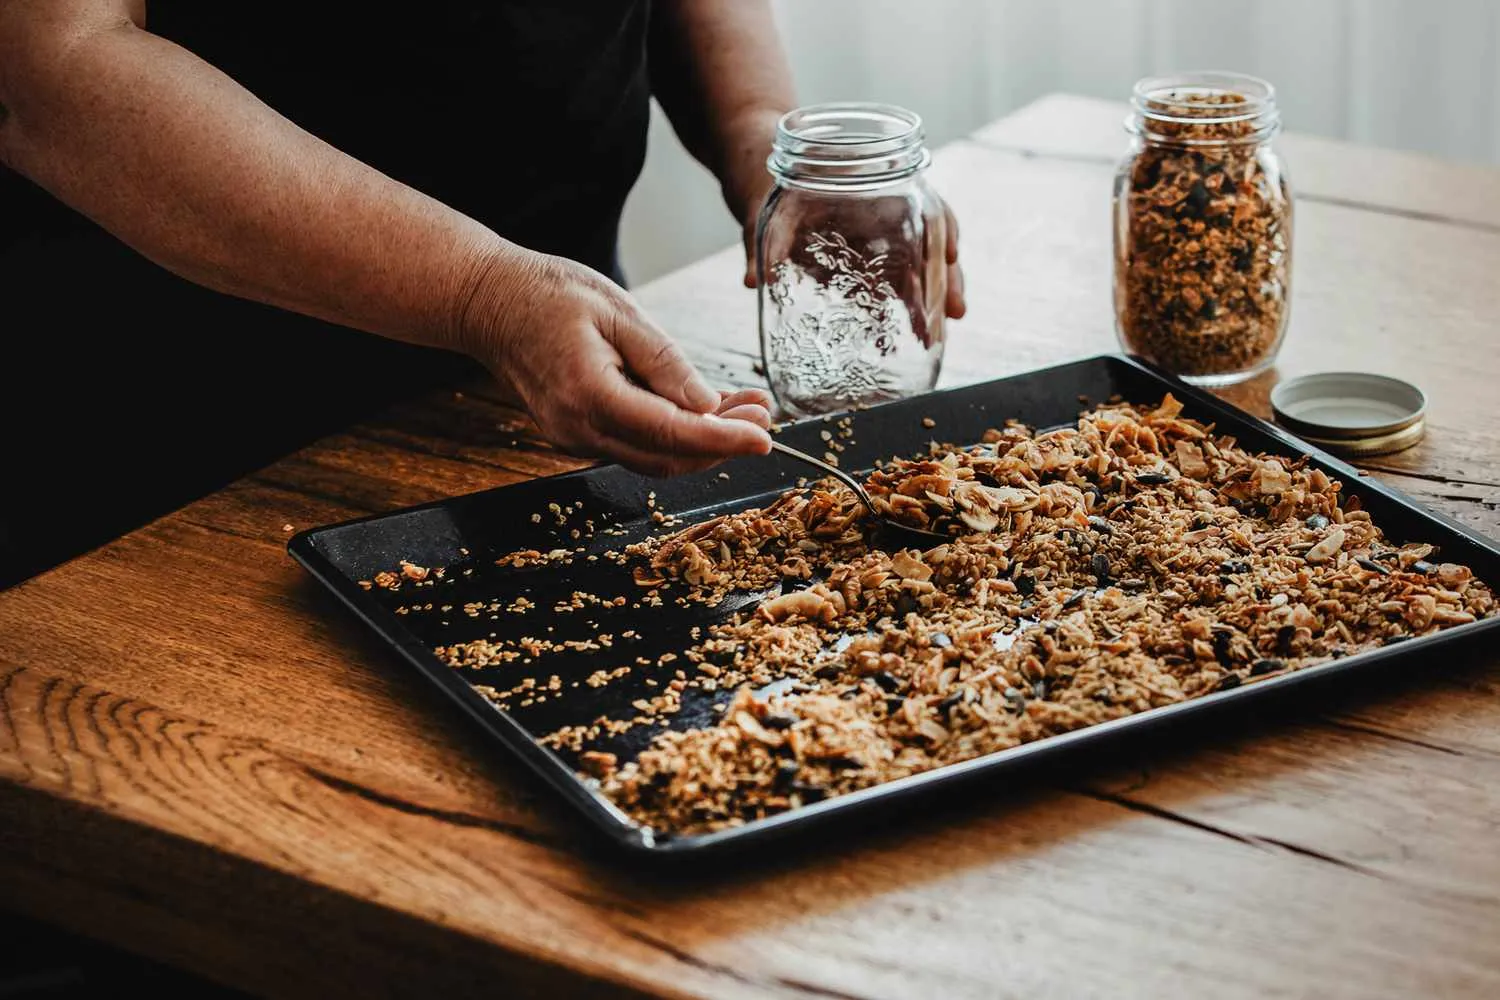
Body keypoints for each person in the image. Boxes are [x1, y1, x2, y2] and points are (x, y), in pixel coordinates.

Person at [0, 1, 965, 586]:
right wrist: (479, 290)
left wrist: (763, 135)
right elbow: (50, 66)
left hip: (549, 399)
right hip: (173, 435)